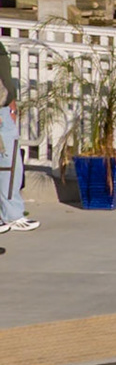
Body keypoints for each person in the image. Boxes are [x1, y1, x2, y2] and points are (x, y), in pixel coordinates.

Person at [0, 42, 38, 233]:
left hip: (4, 110)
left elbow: (4, 77)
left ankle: (12, 215)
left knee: (11, 164)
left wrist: (12, 102)